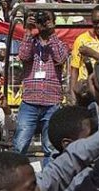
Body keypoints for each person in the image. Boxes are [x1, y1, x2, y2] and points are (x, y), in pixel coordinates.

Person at [13, 9, 67, 165]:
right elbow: (23, 56)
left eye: (47, 20)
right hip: (30, 100)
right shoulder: (30, 40)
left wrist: (51, 34)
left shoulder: (59, 43)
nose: (43, 23)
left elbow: (60, 58)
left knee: (51, 148)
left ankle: (48, 182)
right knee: (20, 144)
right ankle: (16, 181)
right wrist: (29, 30)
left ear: (54, 22)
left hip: (52, 101)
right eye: (41, 19)